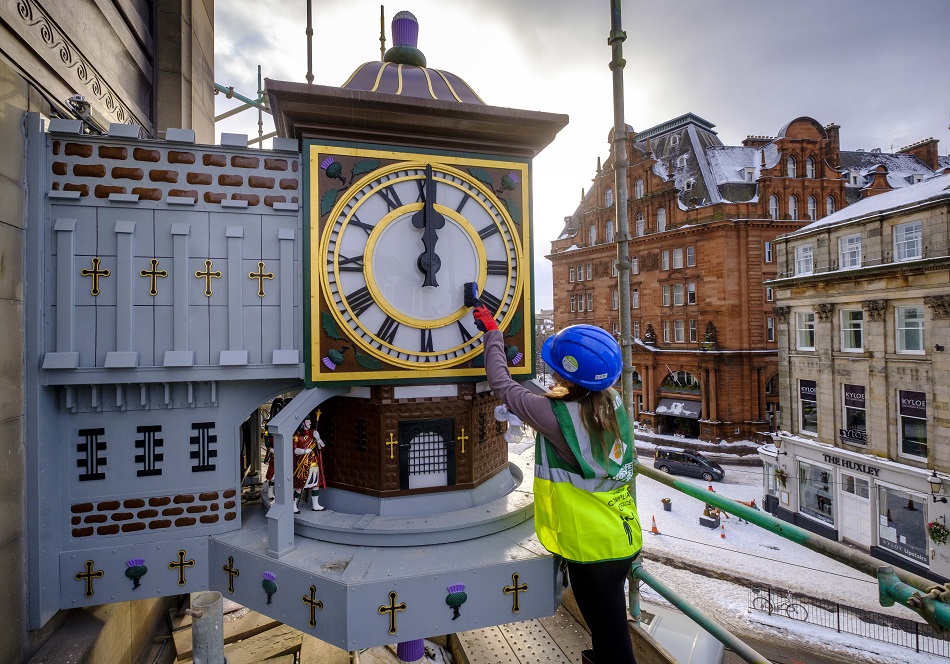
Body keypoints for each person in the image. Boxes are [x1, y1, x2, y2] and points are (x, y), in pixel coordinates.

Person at [473, 305, 640, 664]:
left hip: (591, 549)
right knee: (610, 628)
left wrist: (493, 335)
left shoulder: (554, 416)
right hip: (620, 535)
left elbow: (502, 384)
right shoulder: (610, 402)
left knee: (608, 632)